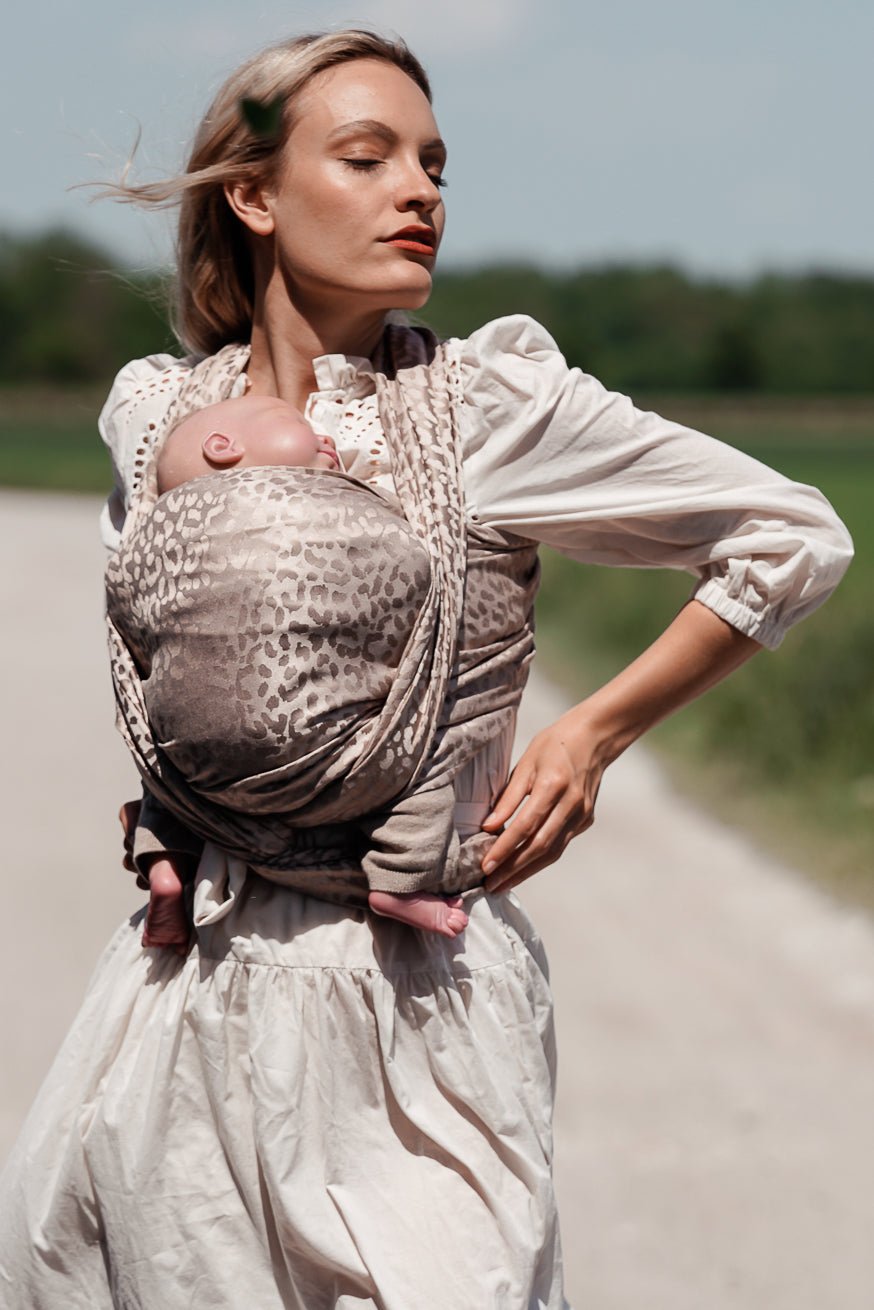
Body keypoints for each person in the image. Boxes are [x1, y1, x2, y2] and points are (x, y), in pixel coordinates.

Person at [0, 29, 853, 1309]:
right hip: (192, 995)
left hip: (418, 1004)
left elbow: (790, 534)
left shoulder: (490, 408)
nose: (420, 192)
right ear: (254, 195)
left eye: (435, 164)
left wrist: (591, 733)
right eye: (369, 157)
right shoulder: (153, 416)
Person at [131, 392, 480, 948]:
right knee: (422, 754)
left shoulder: (156, 534)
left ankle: (165, 868)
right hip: (324, 754)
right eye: (293, 422)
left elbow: (131, 611)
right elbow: (405, 567)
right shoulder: (330, 512)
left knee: (163, 775)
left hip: (200, 763)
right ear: (222, 447)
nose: (326, 436)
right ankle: (401, 877)